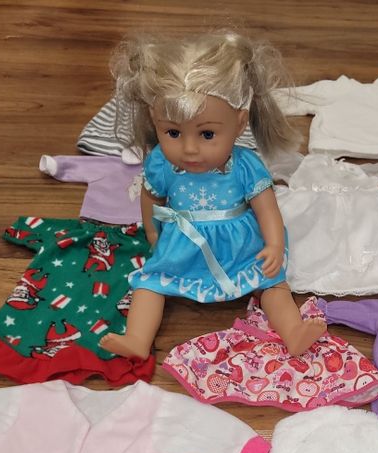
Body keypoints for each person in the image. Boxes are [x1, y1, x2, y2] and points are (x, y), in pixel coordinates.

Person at [99, 32, 326, 359]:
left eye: (207, 134)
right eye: (173, 132)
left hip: (240, 246)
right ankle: (137, 339)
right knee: (149, 284)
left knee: (273, 282)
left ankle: (293, 331)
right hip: (183, 245)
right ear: (153, 120)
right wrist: (153, 232)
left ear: (239, 123)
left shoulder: (244, 165)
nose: (189, 149)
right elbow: (151, 197)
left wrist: (274, 244)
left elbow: (267, 210)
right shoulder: (161, 163)